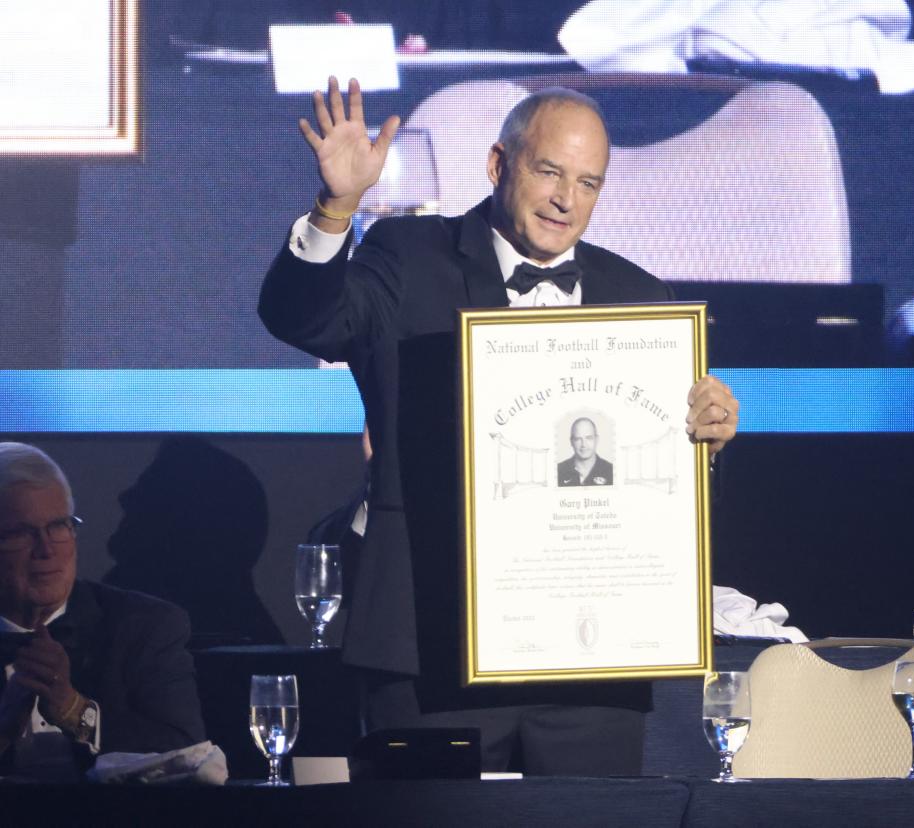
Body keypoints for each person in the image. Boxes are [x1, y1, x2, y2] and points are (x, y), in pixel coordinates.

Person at [259, 77, 740, 774]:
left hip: (591, 662)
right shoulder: (407, 257)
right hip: (432, 648)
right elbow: (303, 319)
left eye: (588, 183)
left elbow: (660, 488)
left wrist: (707, 442)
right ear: (498, 165)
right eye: (548, 171)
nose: (565, 200)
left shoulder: (639, 296)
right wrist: (337, 208)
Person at [0, 442, 206, 766]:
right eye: (21, 533)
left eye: (58, 527)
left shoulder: (146, 627)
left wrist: (75, 712)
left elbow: (186, 753)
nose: (46, 550)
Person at [557, 417, 613, 487]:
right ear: (571, 442)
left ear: (597, 439)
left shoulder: (611, 471)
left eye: (589, 438)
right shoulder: (558, 471)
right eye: (578, 439)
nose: (583, 444)